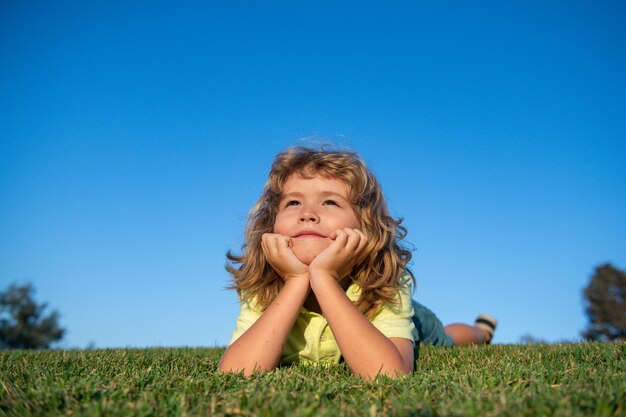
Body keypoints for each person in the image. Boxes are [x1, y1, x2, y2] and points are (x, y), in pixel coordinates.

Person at [218, 146, 497, 379]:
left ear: (365, 226)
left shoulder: (387, 283)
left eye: (329, 202)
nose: (308, 214)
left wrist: (325, 279)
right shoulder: (263, 285)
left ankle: (482, 331)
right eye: (293, 203)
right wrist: (296, 281)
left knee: (447, 339)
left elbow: (389, 374)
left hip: (413, 321)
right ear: (271, 224)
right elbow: (235, 373)